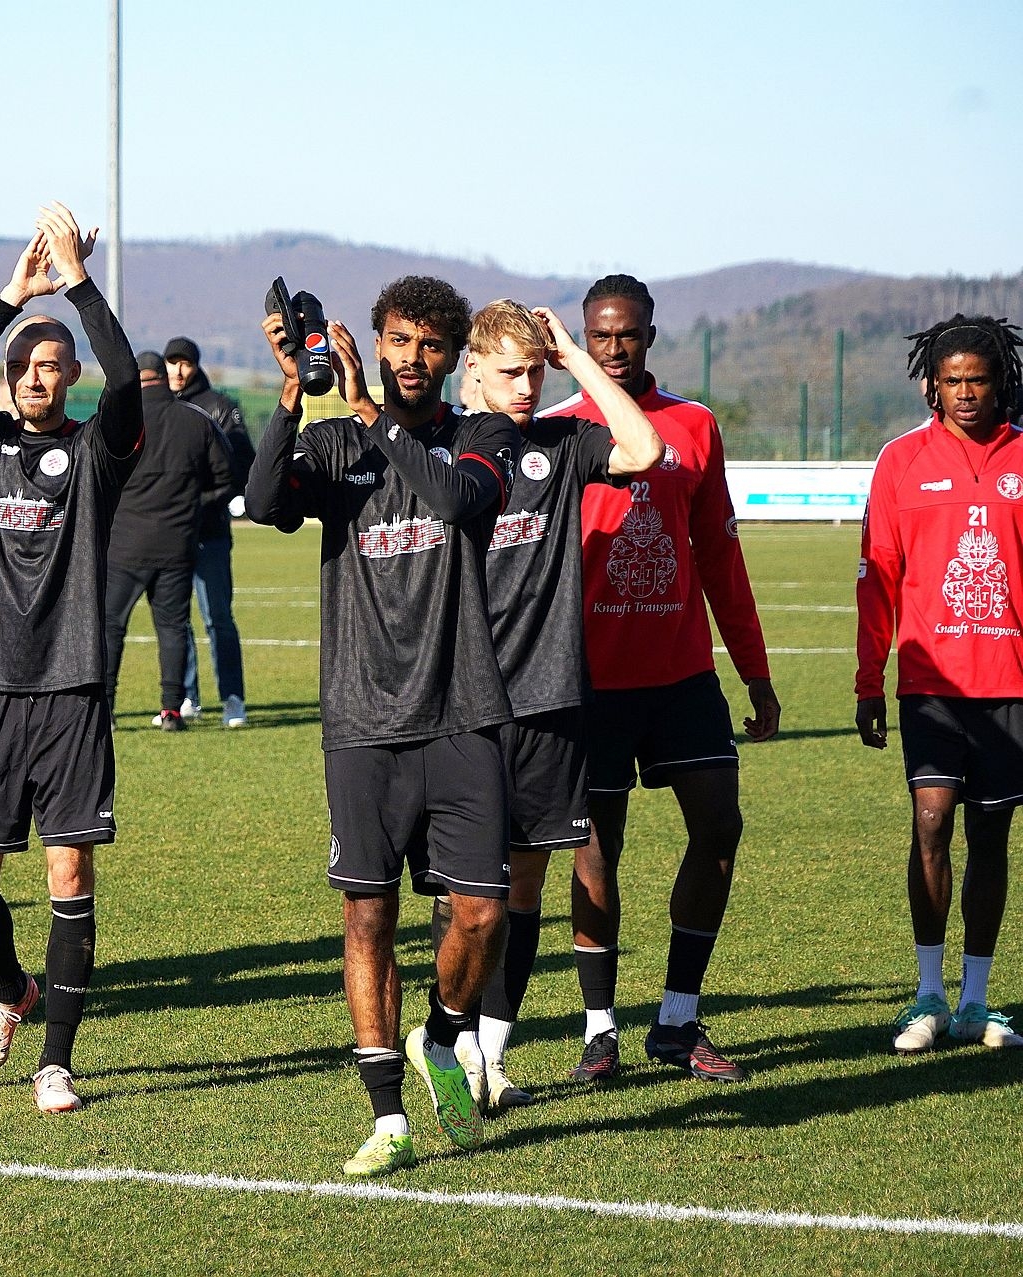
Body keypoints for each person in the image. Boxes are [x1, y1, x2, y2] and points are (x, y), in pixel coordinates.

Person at [245, 275, 519, 1176]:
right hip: (363, 720)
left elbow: (453, 502)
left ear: (454, 357)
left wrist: (369, 410)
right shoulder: (334, 444)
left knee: (481, 913)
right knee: (368, 916)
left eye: (430, 345)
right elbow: (264, 501)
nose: (412, 358)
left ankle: (440, 1031)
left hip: (463, 712)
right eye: (398, 340)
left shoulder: (481, 438)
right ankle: (389, 1117)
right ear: (376, 341)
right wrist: (293, 393)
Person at [0, 203, 142, 1114]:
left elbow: (128, 377)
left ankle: (57, 1060)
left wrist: (80, 288)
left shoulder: (97, 452)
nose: (38, 377)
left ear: (71, 375)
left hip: (71, 687)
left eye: (53, 365)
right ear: (9, 377)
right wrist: (13, 295)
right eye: (25, 366)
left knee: (69, 874)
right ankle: (11, 991)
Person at [539, 274, 780, 1084]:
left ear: (650, 334)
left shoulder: (696, 425)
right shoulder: (556, 431)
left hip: (681, 674)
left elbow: (720, 555)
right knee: (594, 849)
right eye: (600, 335)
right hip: (589, 680)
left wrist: (755, 671)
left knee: (719, 826)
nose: (614, 347)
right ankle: (599, 1030)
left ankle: (677, 1018)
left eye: (628, 333)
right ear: (581, 340)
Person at [445, 301, 663, 1109]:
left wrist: (577, 359)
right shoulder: (450, 448)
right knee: (463, 893)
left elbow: (646, 448)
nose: (526, 385)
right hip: (463, 704)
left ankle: (492, 1057)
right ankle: (452, 1042)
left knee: (526, 884)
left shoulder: (565, 444)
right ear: (473, 368)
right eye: (510, 370)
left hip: (550, 701)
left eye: (536, 370)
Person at [858, 315, 1023, 1054]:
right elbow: (877, 578)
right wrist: (868, 680)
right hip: (929, 684)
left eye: (977, 380)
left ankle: (977, 1000)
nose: (964, 393)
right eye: (952, 380)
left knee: (992, 834)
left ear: (1000, 382)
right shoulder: (901, 461)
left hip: (1010, 685)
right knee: (931, 821)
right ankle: (927, 995)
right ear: (932, 383)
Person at [102, 351, 234, 729]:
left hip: (125, 544)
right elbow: (225, 477)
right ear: (164, 376)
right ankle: (172, 710)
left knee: (111, 627)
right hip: (177, 543)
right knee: (173, 628)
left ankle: (105, 708)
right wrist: (194, 507)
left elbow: (97, 476)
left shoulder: (119, 421)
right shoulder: (196, 420)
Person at [165, 337, 254, 728]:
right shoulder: (160, 407)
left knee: (217, 617)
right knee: (176, 619)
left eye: (184, 363)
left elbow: (241, 461)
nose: (177, 370)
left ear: (195, 366)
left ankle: (233, 699)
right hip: (172, 533)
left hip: (211, 531)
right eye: (171, 363)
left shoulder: (219, 406)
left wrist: (219, 499)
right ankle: (188, 696)